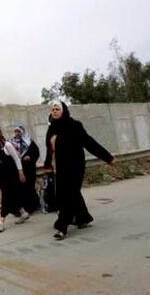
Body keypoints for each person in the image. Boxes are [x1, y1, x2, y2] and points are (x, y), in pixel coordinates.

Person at [44, 101, 115, 240]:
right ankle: (83, 218)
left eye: (57, 109)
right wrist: (48, 166)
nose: (55, 111)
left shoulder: (75, 125)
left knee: (67, 195)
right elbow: (50, 150)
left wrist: (108, 158)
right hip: (59, 168)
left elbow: (89, 142)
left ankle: (62, 226)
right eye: (53, 109)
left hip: (75, 166)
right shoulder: (52, 128)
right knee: (72, 194)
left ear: (64, 110)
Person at [0, 126, 30, 233]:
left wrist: (21, 173)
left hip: (12, 175)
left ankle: (1, 221)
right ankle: (23, 213)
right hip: (1, 176)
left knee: (6, 196)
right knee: (12, 196)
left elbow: (16, 158)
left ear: (0, 134)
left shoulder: (7, 145)